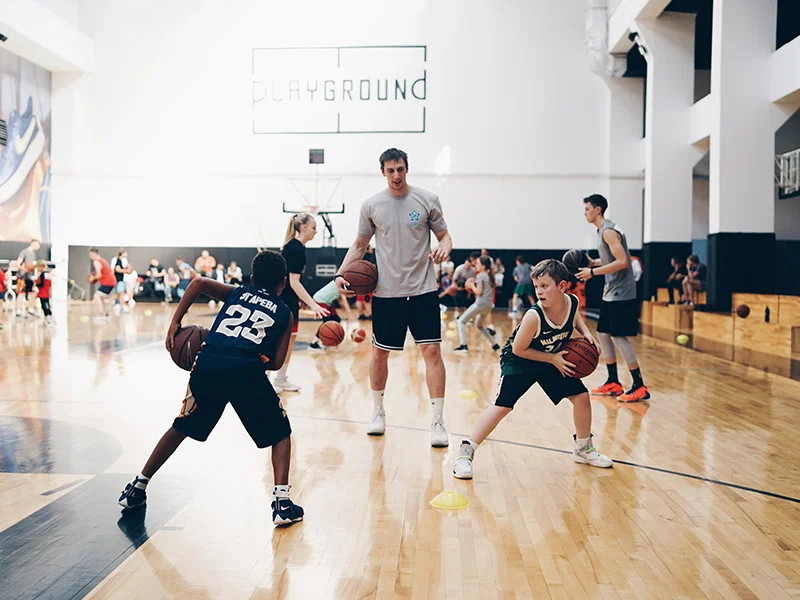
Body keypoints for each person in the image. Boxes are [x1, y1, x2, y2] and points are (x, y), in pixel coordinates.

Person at [118, 250, 304, 525]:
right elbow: (276, 364)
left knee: (181, 426)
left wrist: (175, 322)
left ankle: (137, 487)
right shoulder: (284, 312)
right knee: (280, 433)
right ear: (283, 283)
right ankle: (282, 502)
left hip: (208, 363)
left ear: (252, 278)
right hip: (246, 371)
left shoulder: (237, 292)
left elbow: (197, 283)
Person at [334, 148, 453, 447]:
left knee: (432, 354)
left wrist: (445, 248)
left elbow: (445, 236)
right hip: (388, 293)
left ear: (407, 169)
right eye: (391, 171)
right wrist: (341, 273)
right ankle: (378, 412)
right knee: (379, 354)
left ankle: (438, 421)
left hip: (424, 289)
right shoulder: (372, 206)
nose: (396, 176)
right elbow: (360, 244)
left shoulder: (427, 200)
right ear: (383, 172)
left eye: (400, 169)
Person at [452, 259, 612, 479]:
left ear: (562, 286)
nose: (539, 292)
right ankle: (465, 452)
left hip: (552, 356)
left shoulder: (572, 302)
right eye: (536, 286)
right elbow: (519, 349)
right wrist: (552, 359)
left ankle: (583, 449)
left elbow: (575, 318)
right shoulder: (533, 316)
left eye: (544, 286)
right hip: (520, 359)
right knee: (502, 406)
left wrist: (586, 334)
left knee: (582, 396)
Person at [576, 194, 650, 402]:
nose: (585, 213)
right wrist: (594, 262)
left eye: (587, 209)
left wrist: (592, 273)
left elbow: (623, 261)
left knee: (618, 336)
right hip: (611, 290)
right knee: (603, 333)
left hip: (622, 291)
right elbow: (611, 259)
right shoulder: (602, 231)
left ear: (597, 209)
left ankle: (639, 385)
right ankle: (613, 382)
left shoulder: (608, 231)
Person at [277, 213, 330, 392]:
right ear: (304, 227)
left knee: (288, 341)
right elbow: (293, 282)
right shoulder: (296, 249)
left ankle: (280, 379)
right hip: (284, 302)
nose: (315, 232)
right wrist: (314, 304)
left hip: (288, 300)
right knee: (280, 342)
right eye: (314, 228)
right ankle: (269, 379)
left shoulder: (295, 247)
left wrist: (303, 300)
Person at [453, 256, 500, 354]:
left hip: (480, 303)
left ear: (483, 266)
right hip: (488, 305)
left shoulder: (480, 275)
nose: (476, 265)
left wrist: (471, 286)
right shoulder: (489, 275)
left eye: (478, 263)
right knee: (479, 325)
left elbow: (478, 292)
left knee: (461, 321)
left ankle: (463, 345)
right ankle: (494, 344)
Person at [308, 279, 353, 352]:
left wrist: (345, 310)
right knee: (327, 323)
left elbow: (340, 299)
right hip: (320, 300)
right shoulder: (344, 283)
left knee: (336, 319)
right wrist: (349, 314)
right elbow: (344, 299)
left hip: (327, 302)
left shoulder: (340, 281)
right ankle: (313, 344)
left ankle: (328, 342)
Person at [88, 248, 117, 322]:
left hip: (108, 282)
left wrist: (92, 278)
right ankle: (105, 313)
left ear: (94, 254)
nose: (90, 257)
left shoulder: (96, 262)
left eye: (90, 255)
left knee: (96, 296)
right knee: (101, 297)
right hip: (111, 281)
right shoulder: (103, 260)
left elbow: (99, 275)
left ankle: (101, 314)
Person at [15, 239, 40, 317]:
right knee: (21, 293)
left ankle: (30, 309)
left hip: (29, 276)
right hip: (22, 276)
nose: (38, 247)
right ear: (33, 243)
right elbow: (18, 263)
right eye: (37, 245)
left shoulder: (33, 254)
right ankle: (18, 310)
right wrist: (23, 268)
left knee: (31, 292)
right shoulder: (24, 252)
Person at [110, 249, 132, 314]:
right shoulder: (118, 260)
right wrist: (126, 271)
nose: (127, 254)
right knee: (120, 294)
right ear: (122, 253)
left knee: (120, 294)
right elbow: (117, 269)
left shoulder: (123, 261)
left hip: (120, 280)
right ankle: (109, 302)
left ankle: (121, 307)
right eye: (125, 253)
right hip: (118, 280)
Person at [35, 260, 54, 326]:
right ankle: (49, 318)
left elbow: (41, 283)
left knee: (45, 306)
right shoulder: (48, 275)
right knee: (47, 305)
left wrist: (36, 284)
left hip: (42, 293)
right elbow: (49, 284)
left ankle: (48, 319)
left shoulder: (42, 274)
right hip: (47, 293)